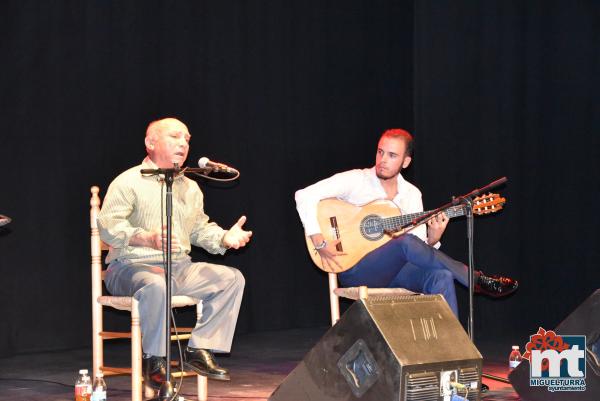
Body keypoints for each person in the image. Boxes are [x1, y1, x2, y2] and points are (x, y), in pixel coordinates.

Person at [295, 128, 517, 317]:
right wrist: (319, 240)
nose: (382, 160)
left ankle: (448, 356)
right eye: (380, 152)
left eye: (392, 155)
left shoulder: (411, 194)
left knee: (442, 276)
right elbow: (303, 195)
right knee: (404, 242)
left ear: (406, 161)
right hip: (356, 268)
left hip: (396, 271)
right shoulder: (356, 180)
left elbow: (418, 246)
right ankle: (475, 279)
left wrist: (433, 238)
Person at [98, 118, 252, 387]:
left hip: (179, 267)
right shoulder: (128, 181)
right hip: (130, 267)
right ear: (150, 143)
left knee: (231, 278)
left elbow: (199, 230)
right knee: (156, 285)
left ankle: (199, 349)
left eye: (187, 139)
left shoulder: (189, 187)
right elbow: (108, 227)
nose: (183, 143)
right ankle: (155, 363)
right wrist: (146, 238)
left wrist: (225, 238)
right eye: (175, 136)